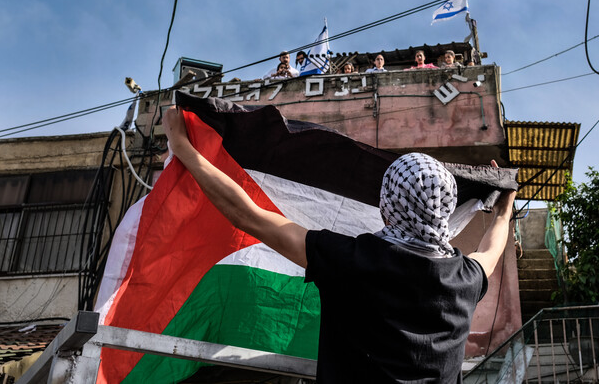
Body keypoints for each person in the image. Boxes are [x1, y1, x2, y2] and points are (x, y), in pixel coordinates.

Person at [162, 106, 515, 383]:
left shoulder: (354, 260)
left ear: (388, 204)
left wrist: (185, 150)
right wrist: (504, 208)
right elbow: (491, 250)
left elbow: (248, 216)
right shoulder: (464, 279)